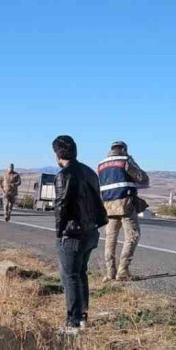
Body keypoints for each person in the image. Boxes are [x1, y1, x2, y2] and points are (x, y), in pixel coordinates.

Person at [52, 135, 108, 333]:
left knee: (70, 276)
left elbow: (61, 206)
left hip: (73, 234)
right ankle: (83, 316)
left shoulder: (64, 175)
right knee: (80, 273)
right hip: (90, 231)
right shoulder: (89, 172)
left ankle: (73, 321)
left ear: (58, 154)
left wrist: (59, 233)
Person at [97, 141, 150, 281]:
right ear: (123, 149)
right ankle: (123, 271)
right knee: (133, 235)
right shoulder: (125, 160)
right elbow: (142, 179)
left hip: (108, 205)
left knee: (110, 238)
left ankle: (110, 272)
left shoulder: (101, 164)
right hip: (125, 203)